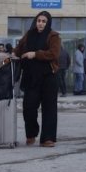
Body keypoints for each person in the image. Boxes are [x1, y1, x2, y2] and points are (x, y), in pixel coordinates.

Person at [13, 10, 61, 147]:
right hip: (31, 77)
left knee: (49, 108)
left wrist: (35, 54)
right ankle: (31, 134)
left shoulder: (54, 36)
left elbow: (54, 53)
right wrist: (11, 55)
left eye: (44, 21)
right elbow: (19, 49)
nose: (40, 24)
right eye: (39, 21)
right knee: (28, 107)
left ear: (48, 23)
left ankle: (48, 138)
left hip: (48, 77)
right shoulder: (29, 35)